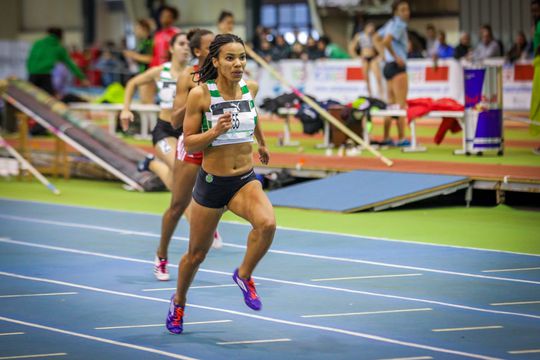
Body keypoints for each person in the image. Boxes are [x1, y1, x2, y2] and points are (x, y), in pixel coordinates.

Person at [166, 34, 275, 334]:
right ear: (215, 61)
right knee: (196, 255)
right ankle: (179, 302)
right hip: (212, 183)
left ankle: (244, 274)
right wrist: (214, 132)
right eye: (230, 58)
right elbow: (188, 142)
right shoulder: (200, 95)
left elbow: (253, 114)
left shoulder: (249, 88)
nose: (238, 63)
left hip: (244, 180)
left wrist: (261, 143)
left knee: (267, 224)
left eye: (242, 57)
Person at [155, 28, 223, 282]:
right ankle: (161, 254)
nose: (217, 48)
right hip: (192, 146)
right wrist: (198, 96)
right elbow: (174, 120)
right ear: (198, 51)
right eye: (211, 46)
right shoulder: (188, 75)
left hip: (217, 147)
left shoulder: (226, 72)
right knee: (177, 206)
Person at [120, 33, 189, 191]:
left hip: (188, 132)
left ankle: (150, 163)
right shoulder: (160, 71)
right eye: (181, 43)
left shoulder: (195, 74)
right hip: (165, 131)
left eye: (189, 44)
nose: (186, 47)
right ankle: (152, 163)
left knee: (181, 183)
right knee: (180, 168)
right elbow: (132, 83)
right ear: (171, 48)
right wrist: (125, 109)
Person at [374, 0, 411, 146]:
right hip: (397, 66)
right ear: (396, 12)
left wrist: (383, 55)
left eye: (407, 9)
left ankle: (386, 137)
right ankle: (402, 138)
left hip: (388, 66)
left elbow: (376, 38)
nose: (406, 12)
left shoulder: (390, 23)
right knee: (401, 105)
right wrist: (396, 56)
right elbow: (387, 41)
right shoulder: (400, 24)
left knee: (390, 105)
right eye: (402, 10)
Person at [26, 27, 90, 95]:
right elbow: (70, 64)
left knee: (30, 98)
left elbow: (30, 58)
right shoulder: (58, 48)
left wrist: (31, 69)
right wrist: (82, 78)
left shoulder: (37, 43)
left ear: (48, 34)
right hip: (45, 75)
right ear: (60, 37)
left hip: (32, 74)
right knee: (48, 99)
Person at [349, 22, 384, 98]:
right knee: (366, 78)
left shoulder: (374, 37)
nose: (371, 29)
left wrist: (380, 56)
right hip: (364, 58)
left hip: (372, 58)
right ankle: (370, 94)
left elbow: (380, 47)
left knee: (378, 76)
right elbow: (351, 48)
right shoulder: (359, 36)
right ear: (366, 27)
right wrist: (357, 57)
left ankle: (381, 94)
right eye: (370, 27)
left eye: (372, 28)